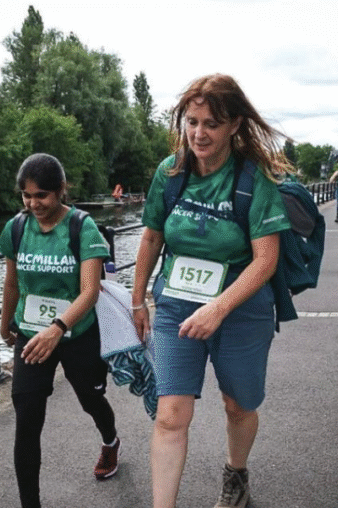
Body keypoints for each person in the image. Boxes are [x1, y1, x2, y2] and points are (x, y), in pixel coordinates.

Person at [130, 74, 292, 508]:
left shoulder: (253, 179)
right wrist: (138, 298)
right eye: (192, 121)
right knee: (170, 415)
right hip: (176, 303)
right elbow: (150, 238)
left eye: (211, 124)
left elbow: (265, 260)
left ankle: (236, 472)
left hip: (240, 304)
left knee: (237, 405)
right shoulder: (171, 172)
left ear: (235, 125)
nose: (199, 133)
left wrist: (218, 308)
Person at [0, 154, 120, 508]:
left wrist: (58, 327)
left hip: (77, 334)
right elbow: (11, 283)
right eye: (26, 195)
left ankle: (110, 441)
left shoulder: (82, 227)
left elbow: (90, 291)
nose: (33, 203)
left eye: (42, 196)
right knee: (27, 420)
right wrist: (6, 324)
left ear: (61, 191)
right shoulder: (17, 228)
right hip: (32, 337)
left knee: (90, 398)